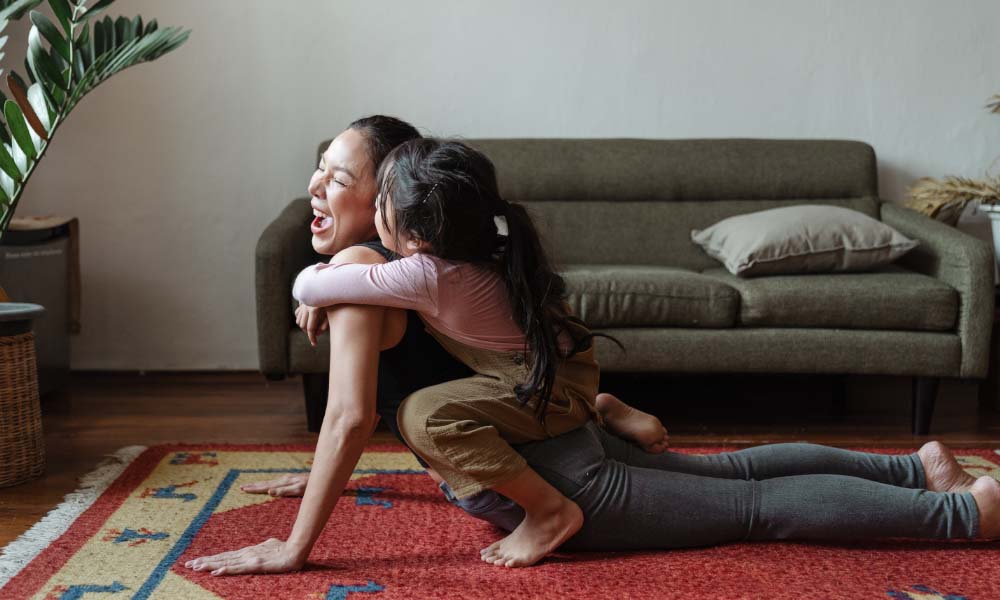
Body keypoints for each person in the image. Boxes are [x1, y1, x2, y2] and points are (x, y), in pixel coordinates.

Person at [183, 117, 1000, 577]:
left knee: (754, 506)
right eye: (317, 170)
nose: (316, 190)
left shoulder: (382, 272)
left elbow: (353, 418)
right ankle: (913, 468)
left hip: (564, 473)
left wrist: (296, 548)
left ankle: (960, 514)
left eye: (337, 176)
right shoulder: (428, 259)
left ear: (398, 209)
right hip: (553, 420)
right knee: (735, 473)